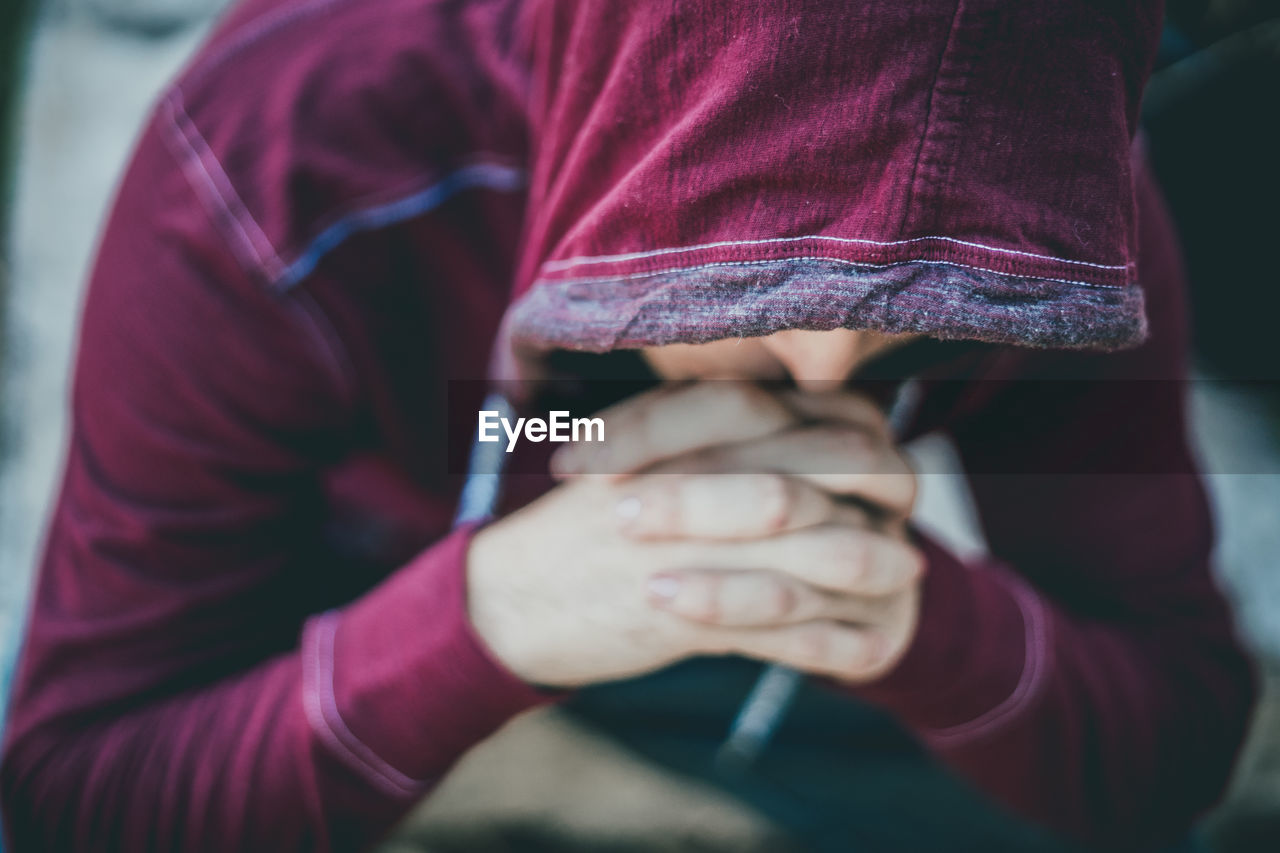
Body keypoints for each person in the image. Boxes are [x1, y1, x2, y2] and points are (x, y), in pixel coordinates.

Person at [0, 1, 1257, 851]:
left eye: (927, 318)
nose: (824, 372)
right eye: (741, 279)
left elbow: (1175, 740)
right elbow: (73, 788)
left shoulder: (1052, 223)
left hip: (772, 544)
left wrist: (908, 614)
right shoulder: (274, 184)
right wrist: (474, 621)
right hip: (373, 511)